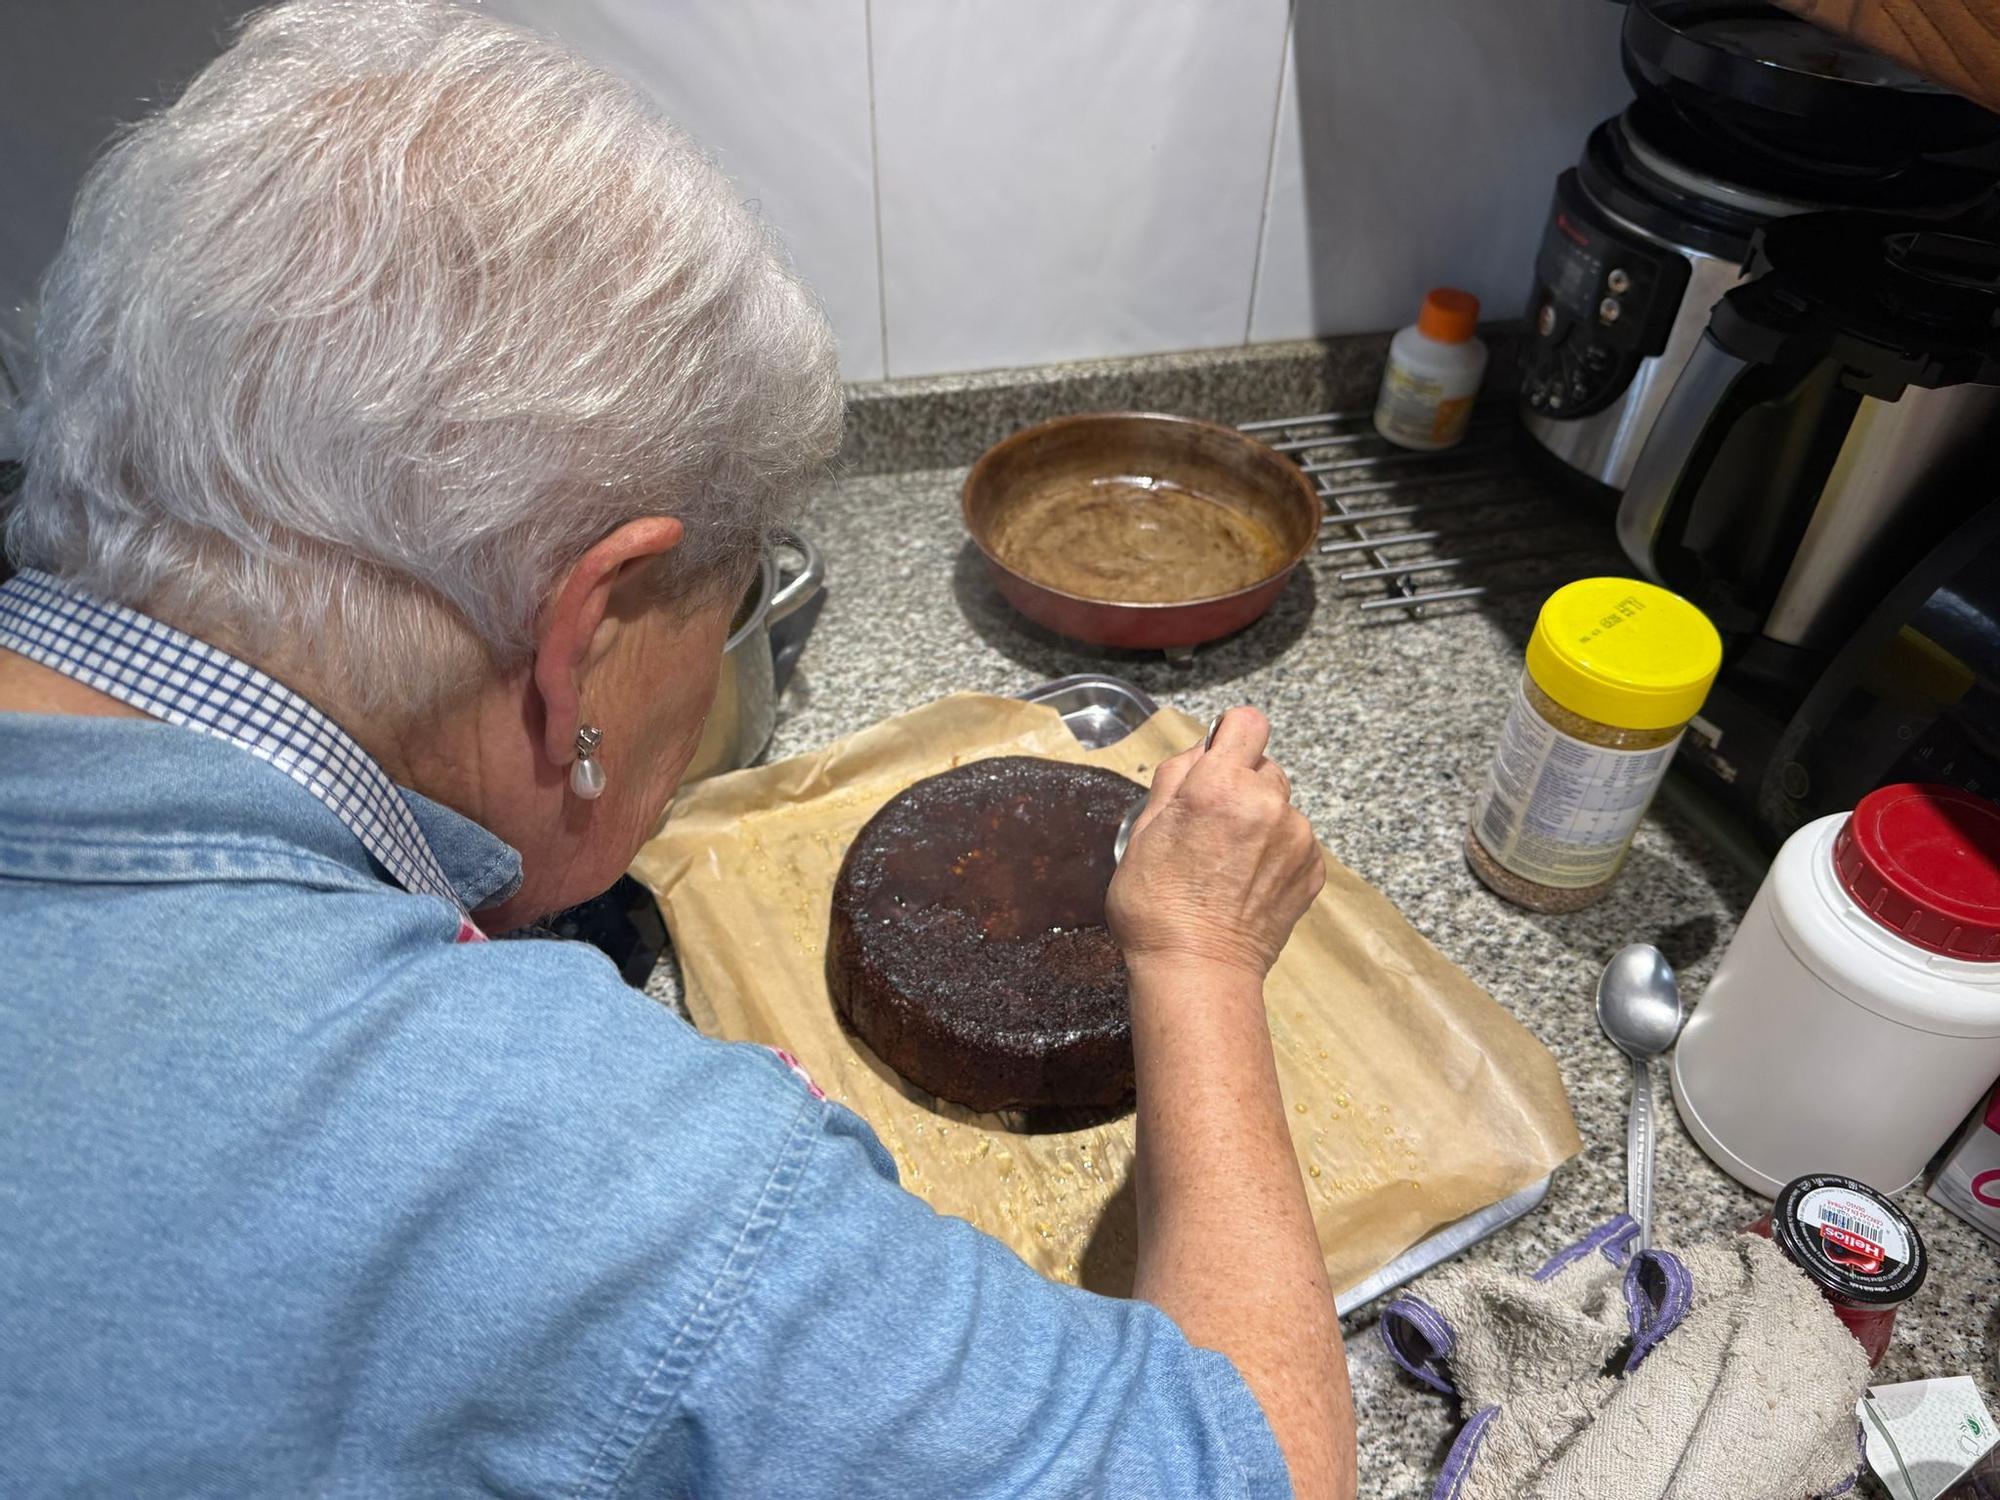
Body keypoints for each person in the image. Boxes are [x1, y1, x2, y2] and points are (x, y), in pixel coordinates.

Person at [0, 3, 1357, 1496]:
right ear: (586, 634)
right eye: (712, 624)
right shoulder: (594, 1186)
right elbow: (1264, 1470)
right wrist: (1198, 956)